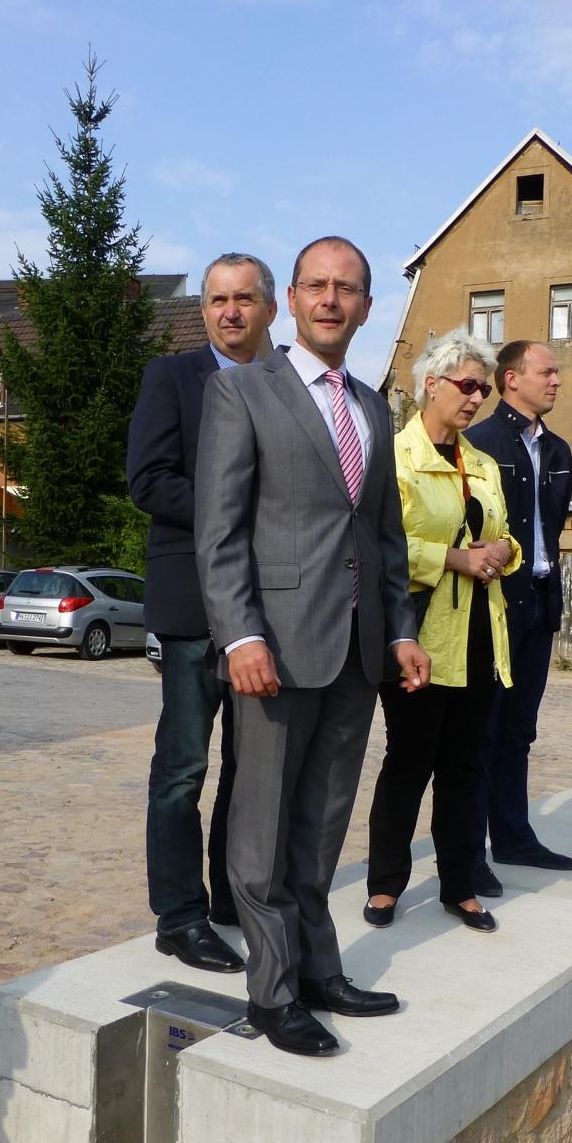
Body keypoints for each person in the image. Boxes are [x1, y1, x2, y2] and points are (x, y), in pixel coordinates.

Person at [195, 237, 431, 1055]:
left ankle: (320, 970)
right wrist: (242, 636)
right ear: (291, 299)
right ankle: (271, 994)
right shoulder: (244, 394)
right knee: (259, 833)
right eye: (318, 286)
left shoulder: (372, 406)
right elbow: (219, 532)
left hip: (356, 655)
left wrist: (400, 630)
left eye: (349, 289)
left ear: (367, 307)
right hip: (275, 652)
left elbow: (385, 537)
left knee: (324, 826)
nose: (332, 300)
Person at [126, 253, 277, 975]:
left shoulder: (287, 386)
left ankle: (231, 900)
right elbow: (148, 481)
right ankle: (178, 916)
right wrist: (237, 513)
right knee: (183, 768)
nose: (230, 311)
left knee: (251, 772)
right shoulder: (173, 378)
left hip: (270, 607)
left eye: (244, 298)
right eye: (218, 299)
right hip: (191, 606)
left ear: (268, 308)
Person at [364, 328, 521, 933]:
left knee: (465, 765)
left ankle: (460, 882)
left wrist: (498, 552)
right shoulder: (395, 457)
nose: (478, 397)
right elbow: (382, 545)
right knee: (409, 762)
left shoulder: (481, 462)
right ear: (430, 383)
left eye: (484, 388)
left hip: (482, 633)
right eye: (467, 385)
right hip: (419, 634)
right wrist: (450, 558)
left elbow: (505, 534)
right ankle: (385, 885)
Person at [466, 340, 572, 897]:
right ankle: (470, 852)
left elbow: (550, 531)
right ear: (511, 379)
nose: (557, 380)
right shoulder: (479, 443)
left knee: (519, 731)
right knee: (482, 731)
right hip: (492, 606)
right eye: (547, 371)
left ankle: (513, 837)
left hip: (540, 603)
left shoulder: (558, 451)